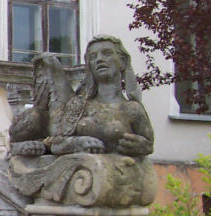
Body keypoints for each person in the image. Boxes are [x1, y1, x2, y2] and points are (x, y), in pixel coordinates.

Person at [10, 35, 153, 157]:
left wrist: (141, 146)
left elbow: (148, 144)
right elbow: (57, 143)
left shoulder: (133, 109)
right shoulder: (79, 104)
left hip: (111, 172)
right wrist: (78, 143)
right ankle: (16, 146)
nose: (99, 59)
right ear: (89, 65)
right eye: (93, 56)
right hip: (78, 169)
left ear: (122, 61)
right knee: (35, 115)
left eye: (107, 53)